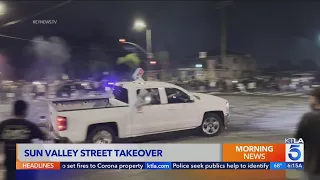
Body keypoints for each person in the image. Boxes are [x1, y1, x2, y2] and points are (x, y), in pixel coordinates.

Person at [0, 100, 46, 180]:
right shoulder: (29, 125)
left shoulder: (3, 125)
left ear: (13, 111)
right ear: (25, 111)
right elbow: (44, 137)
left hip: (11, 168)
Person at [295, 87, 320, 180]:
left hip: (312, 169)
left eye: (310, 98)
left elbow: (297, 140)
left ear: (315, 100)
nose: (309, 101)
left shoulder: (308, 118)